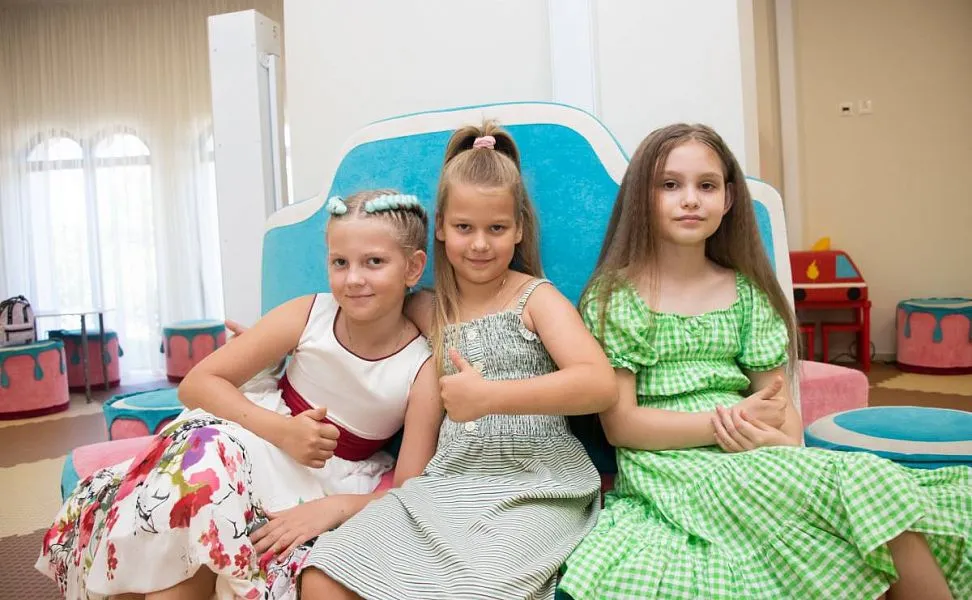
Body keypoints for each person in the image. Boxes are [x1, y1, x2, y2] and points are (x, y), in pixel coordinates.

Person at [558, 123, 971, 600]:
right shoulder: (615, 296)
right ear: (641, 198)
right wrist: (728, 423)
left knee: (875, 492)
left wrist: (778, 440)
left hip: (753, 452)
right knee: (865, 488)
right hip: (671, 469)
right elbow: (623, 426)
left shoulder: (748, 294)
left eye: (706, 186)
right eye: (670, 184)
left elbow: (780, 408)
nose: (690, 199)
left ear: (728, 199)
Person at [37, 189, 442, 600]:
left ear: (413, 268)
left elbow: (408, 489)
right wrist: (282, 431)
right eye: (340, 262)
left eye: (374, 262)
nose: (353, 279)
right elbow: (197, 384)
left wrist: (331, 508)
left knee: (215, 551)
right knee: (204, 459)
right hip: (260, 434)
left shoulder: (421, 368)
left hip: (322, 477)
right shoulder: (310, 313)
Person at [299, 121, 618, 600]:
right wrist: (278, 354)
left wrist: (491, 397)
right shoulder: (426, 308)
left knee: (476, 589)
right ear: (443, 228)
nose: (480, 244)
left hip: (535, 484)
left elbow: (599, 385)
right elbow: (359, 316)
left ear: (519, 229)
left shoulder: (536, 298)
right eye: (464, 228)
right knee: (324, 573)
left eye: (497, 228)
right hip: (448, 484)